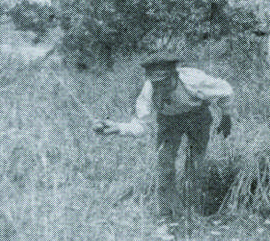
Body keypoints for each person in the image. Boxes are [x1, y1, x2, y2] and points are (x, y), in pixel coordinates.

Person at [93, 52, 233, 226]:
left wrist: (226, 116)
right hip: (169, 122)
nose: (161, 88)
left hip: (198, 117)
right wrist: (117, 128)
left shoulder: (194, 81)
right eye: (156, 83)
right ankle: (167, 216)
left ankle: (195, 212)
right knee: (164, 166)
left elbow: (225, 90)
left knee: (195, 164)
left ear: (175, 74)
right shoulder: (149, 90)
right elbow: (142, 125)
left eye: (165, 82)